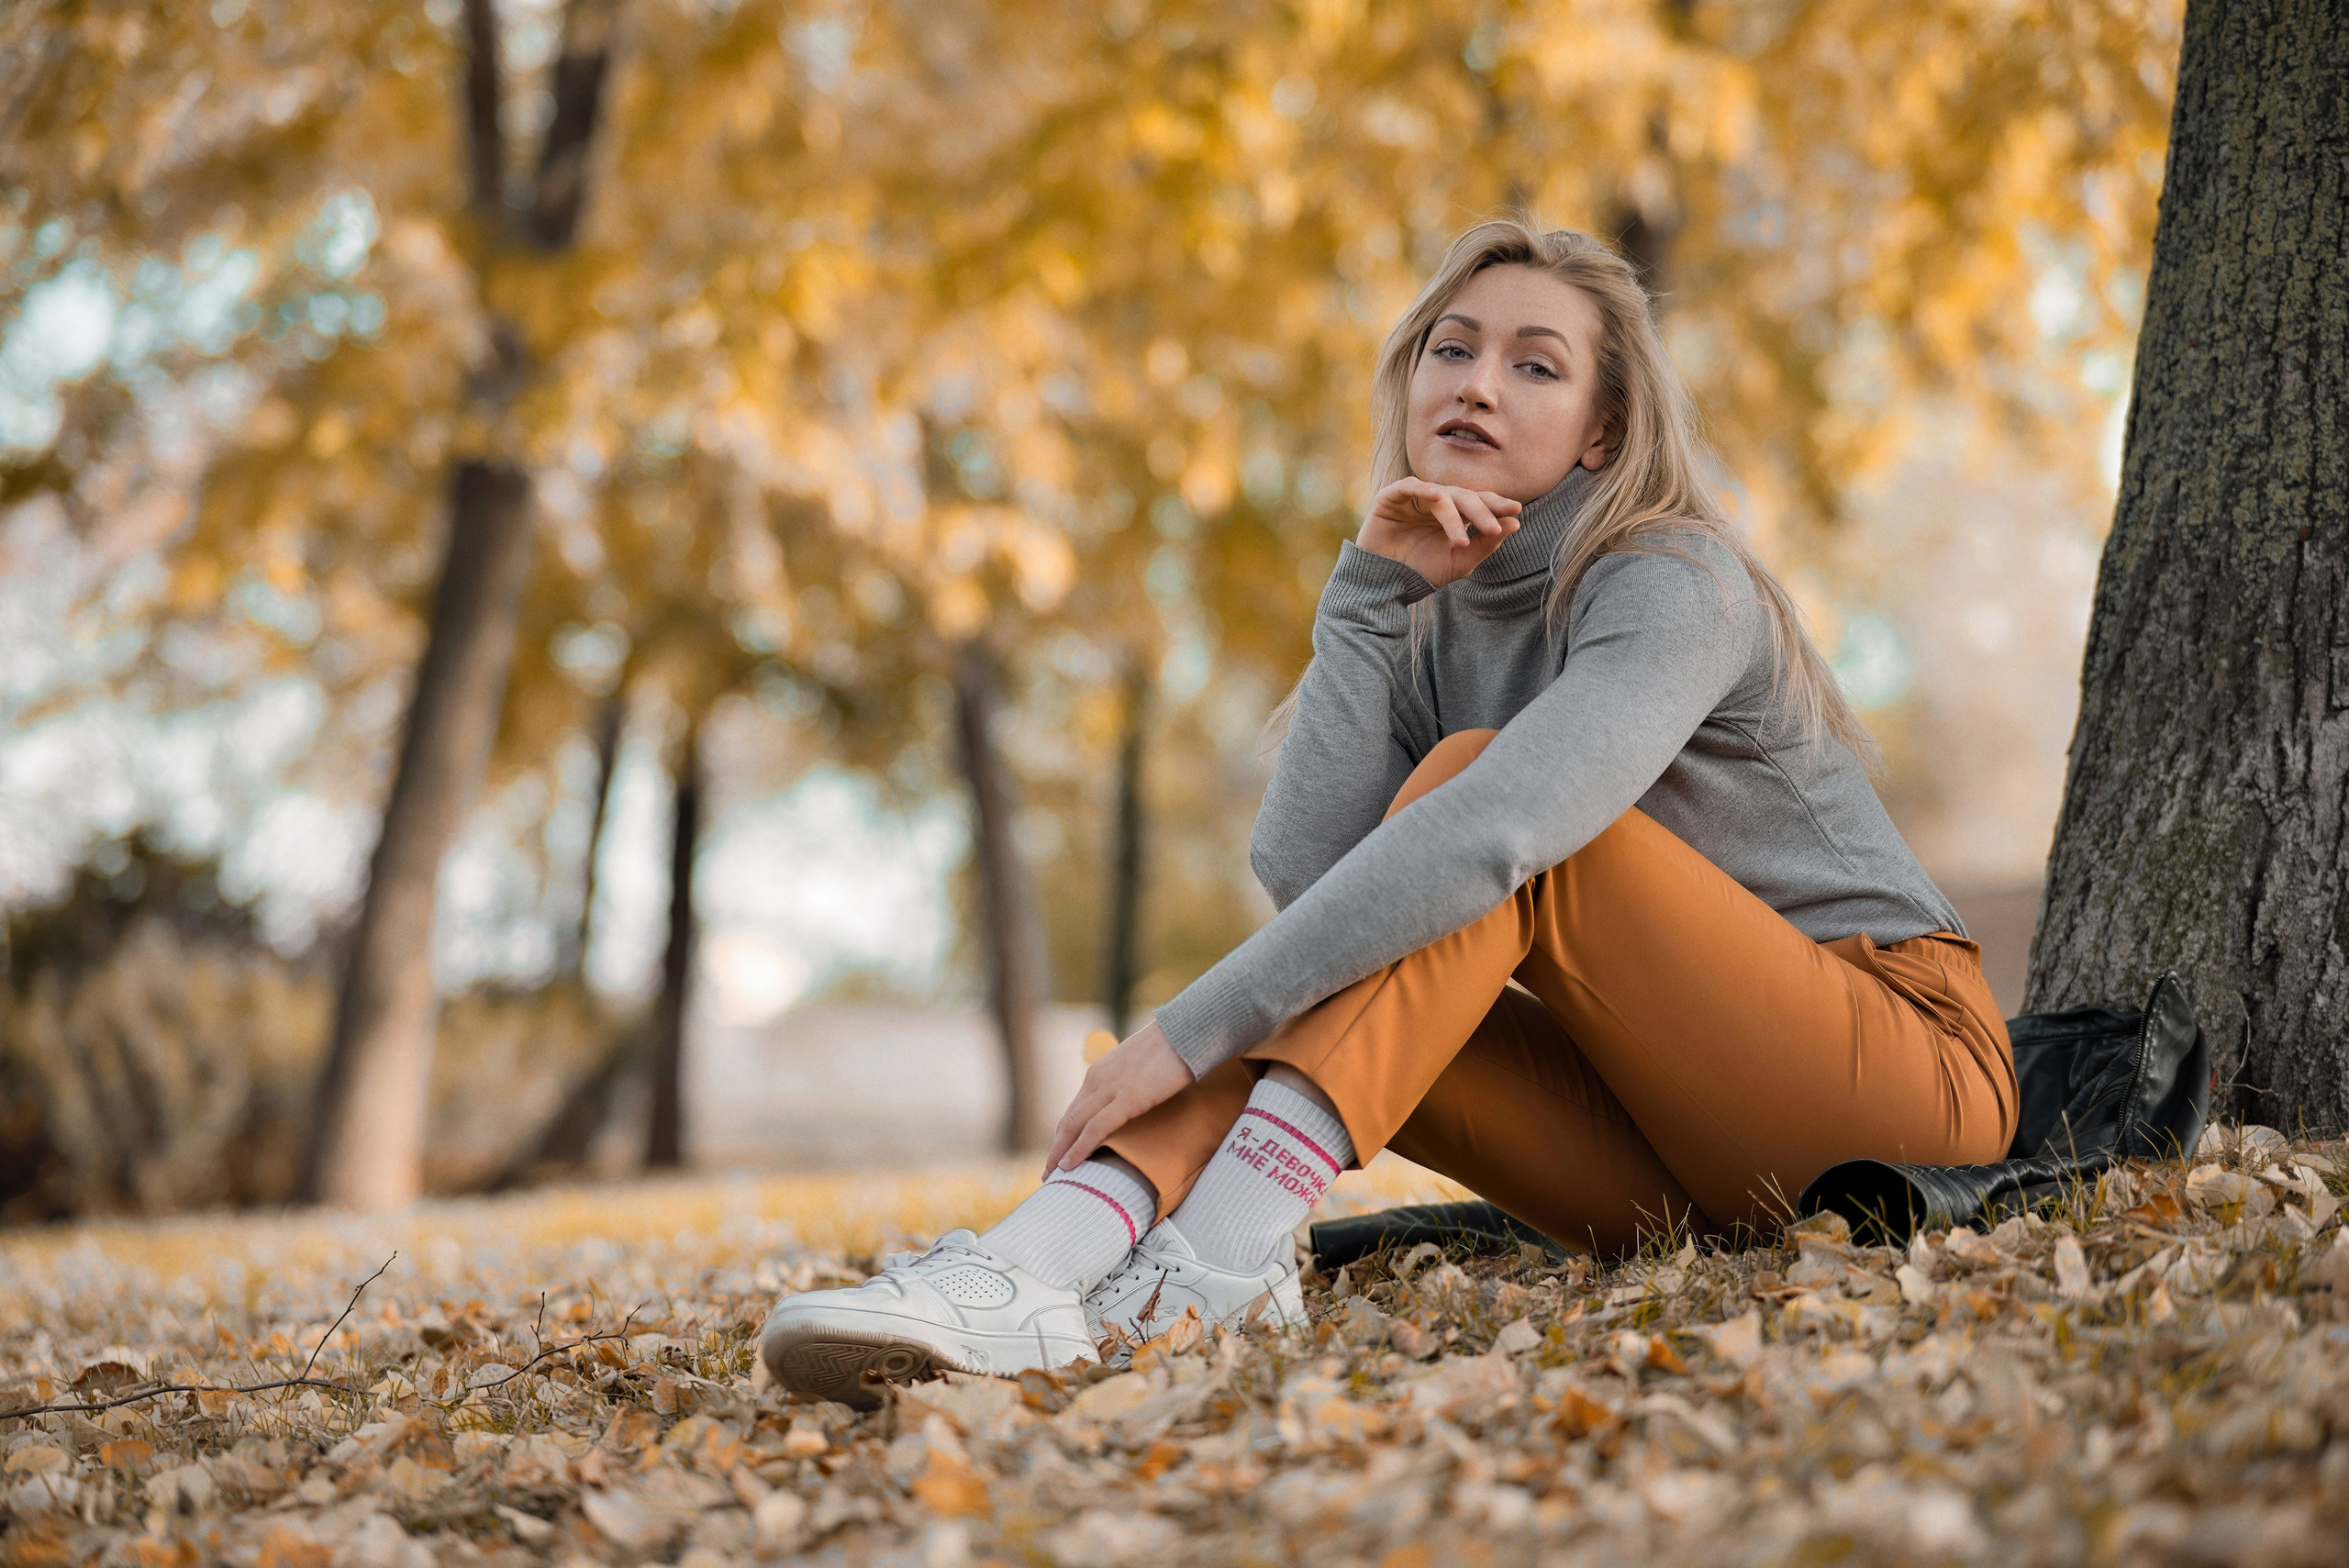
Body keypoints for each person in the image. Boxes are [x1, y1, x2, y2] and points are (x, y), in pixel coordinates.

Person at [759, 218, 2015, 1404]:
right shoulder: (1425, 617)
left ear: (1602, 430)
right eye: (1452, 350)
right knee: (1358, 934)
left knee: (1487, 798)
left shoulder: (1672, 577)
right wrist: (1365, 601)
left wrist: (1185, 1031)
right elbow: (1317, 887)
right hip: (1679, 1173)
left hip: (1900, 1097)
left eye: (1535, 365)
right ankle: (1039, 1262)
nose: (1478, 385)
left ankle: (1219, 1257)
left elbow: (1503, 832)